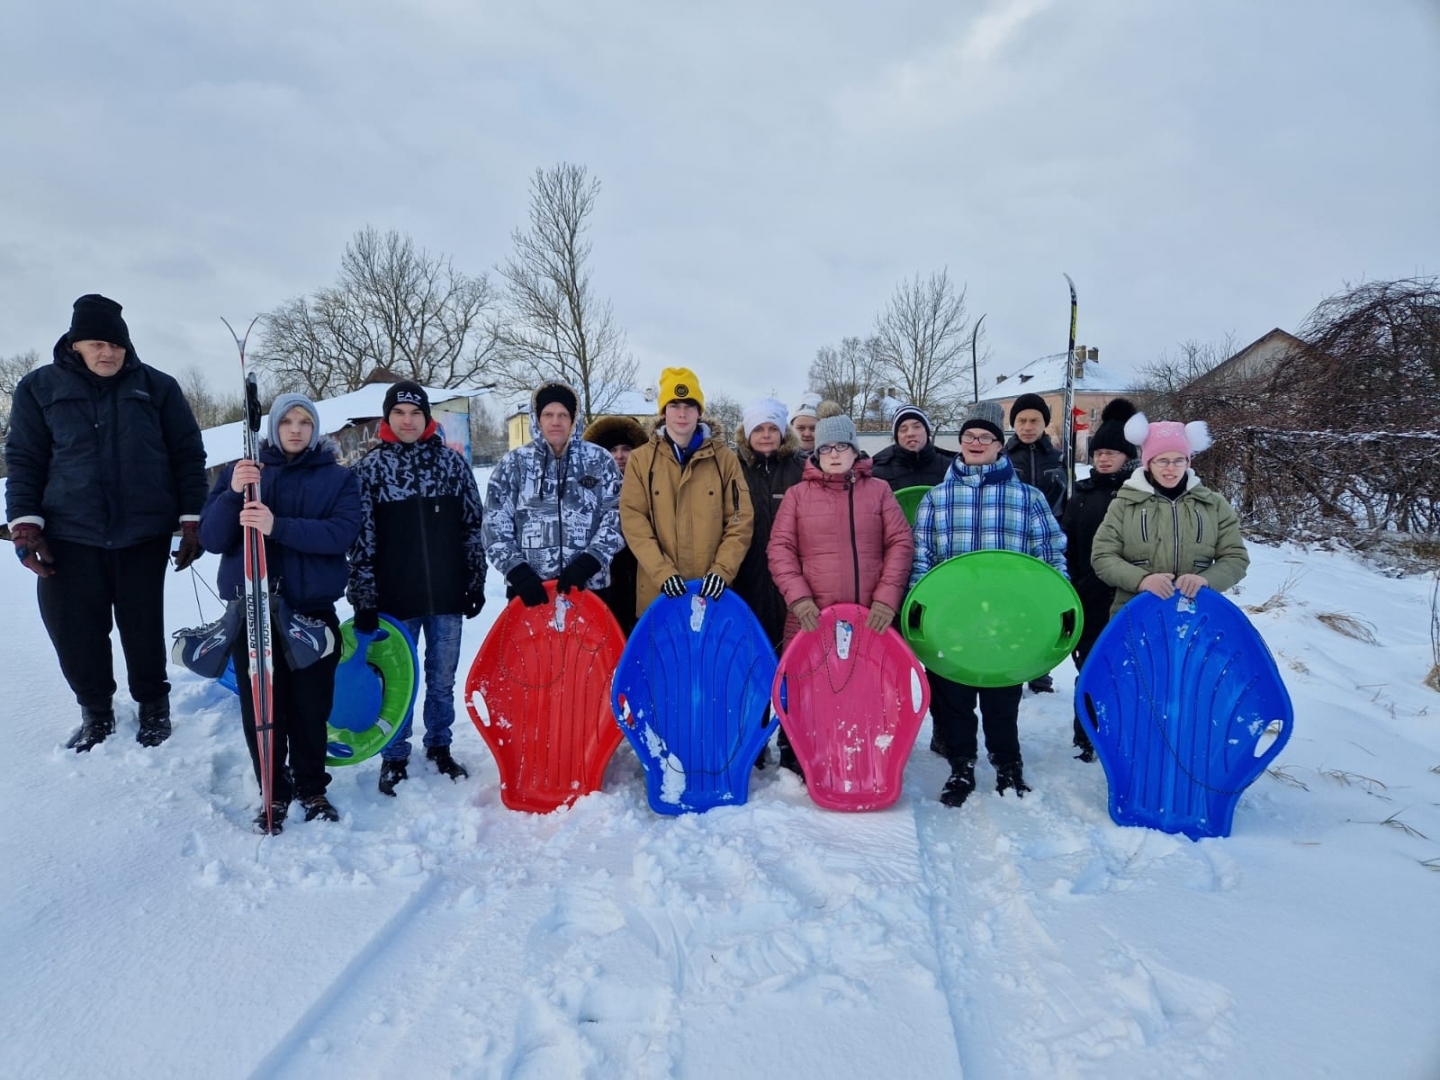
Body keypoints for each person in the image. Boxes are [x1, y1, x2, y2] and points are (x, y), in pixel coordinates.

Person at [5, 294, 207, 752]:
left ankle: (154, 707)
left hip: (142, 532)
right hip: (67, 534)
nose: (107, 353)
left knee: (142, 627)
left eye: (114, 344)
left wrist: (192, 520)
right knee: (75, 630)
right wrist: (25, 526)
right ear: (76, 344)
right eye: (96, 343)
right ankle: (95, 711)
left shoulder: (158, 388)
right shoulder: (39, 389)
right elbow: (24, 460)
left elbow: (188, 455)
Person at [199, 393, 361, 832]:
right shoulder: (243, 473)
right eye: (286, 421)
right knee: (262, 708)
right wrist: (233, 493)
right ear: (272, 427)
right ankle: (272, 790)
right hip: (253, 611)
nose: (295, 429)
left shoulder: (338, 479)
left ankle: (312, 787)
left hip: (310, 612)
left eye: (304, 422)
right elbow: (212, 538)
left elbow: (340, 534)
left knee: (311, 706)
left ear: (315, 429)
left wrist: (278, 527)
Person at [910, 408, 1068, 807]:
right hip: (952, 619)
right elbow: (921, 558)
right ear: (960, 443)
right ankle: (961, 765)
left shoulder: (1027, 498)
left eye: (985, 437)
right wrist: (922, 613)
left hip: (1009, 618)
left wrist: (1051, 602)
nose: (976, 443)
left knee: (1002, 696)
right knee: (955, 699)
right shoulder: (938, 498)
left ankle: (1007, 762)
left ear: (1000, 445)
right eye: (969, 437)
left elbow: (1050, 554)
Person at [347, 381, 488, 797]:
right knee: (398, 681)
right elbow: (362, 542)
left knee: (441, 678)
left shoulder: (451, 464)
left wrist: (474, 581)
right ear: (388, 418)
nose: (407, 421)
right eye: (399, 413)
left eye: (415, 413)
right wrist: (365, 598)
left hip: (446, 595)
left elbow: (470, 527)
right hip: (395, 600)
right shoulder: (370, 470)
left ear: (427, 418)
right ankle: (394, 754)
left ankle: (440, 745)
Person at [767, 413, 914, 774]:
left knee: (867, 689)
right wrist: (799, 598)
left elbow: (900, 542)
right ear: (816, 453)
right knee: (806, 685)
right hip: (812, 617)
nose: (835, 454)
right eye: (827, 448)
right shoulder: (797, 496)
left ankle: (861, 751)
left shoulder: (879, 491)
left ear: (854, 450)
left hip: (870, 617)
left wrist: (885, 599)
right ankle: (798, 751)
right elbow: (780, 548)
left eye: (843, 446)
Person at [619, 367, 754, 614]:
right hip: (658, 596)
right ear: (663, 411)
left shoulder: (724, 460)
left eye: (689, 405)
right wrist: (662, 572)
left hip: (712, 596)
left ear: (699, 412)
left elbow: (739, 519)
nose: (682, 413)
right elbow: (634, 521)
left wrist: (722, 571)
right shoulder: (640, 460)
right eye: (674, 405)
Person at [484, 380, 624, 615]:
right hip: (529, 590)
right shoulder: (514, 463)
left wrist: (589, 563)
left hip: (588, 588)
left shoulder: (599, 460)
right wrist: (516, 571)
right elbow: (494, 525)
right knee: (533, 653)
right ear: (538, 419)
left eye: (563, 414)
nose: (556, 421)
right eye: (548, 414)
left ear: (574, 419)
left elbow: (618, 516)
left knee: (587, 653)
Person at [1090, 411, 1250, 617]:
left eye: (1179, 460)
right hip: (1137, 613)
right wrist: (1141, 580)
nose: (1171, 468)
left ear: (1188, 462)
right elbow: (1103, 556)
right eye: (1162, 461)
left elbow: (1235, 557)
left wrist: (1207, 579)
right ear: (1149, 463)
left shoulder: (1213, 505)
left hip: (1198, 614)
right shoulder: (1124, 504)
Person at [1059, 398, 1138, 761]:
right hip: (1086, 595)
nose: (1104, 459)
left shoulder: (1139, 495)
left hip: (1128, 596)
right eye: (1099, 452)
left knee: (1125, 668)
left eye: (1113, 453)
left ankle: (1121, 730)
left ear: (1128, 456)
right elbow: (1066, 543)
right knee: (1089, 667)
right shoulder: (1081, 496)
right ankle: (1086, 734)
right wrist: (1072, 584)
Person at [1004, 392, 1068, 693]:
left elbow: (1065, 502)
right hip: (1012, 545)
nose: (1028, 426)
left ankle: (1041, 669)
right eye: (1021, 420)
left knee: (1041, 610)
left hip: (1046, 543)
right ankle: (1013, 661)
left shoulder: (1057, 459)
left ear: (1045, 423)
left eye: (1034, 421)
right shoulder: (1002, 459)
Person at [732, 397, 806, 649]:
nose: (766, 435)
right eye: (759, 429)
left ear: (783, 433)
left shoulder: (802, 469)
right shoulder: (732, 468)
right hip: (745, 572)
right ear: (747, 433)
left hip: (791, 574)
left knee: (789, 644)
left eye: (773, 428)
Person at [582, 413, 650, 635]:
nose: (619, 456)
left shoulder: (651, 482)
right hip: (603, 576)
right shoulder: (586, 487)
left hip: (643, 572)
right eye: (612, 450)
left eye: (626, 449)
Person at [871, 404, 955, 492]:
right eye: (903, 429)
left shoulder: (952, 468)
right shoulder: (878, 472)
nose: (910, 433)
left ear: (927, 431)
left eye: (917, 427)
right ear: (897, 437)